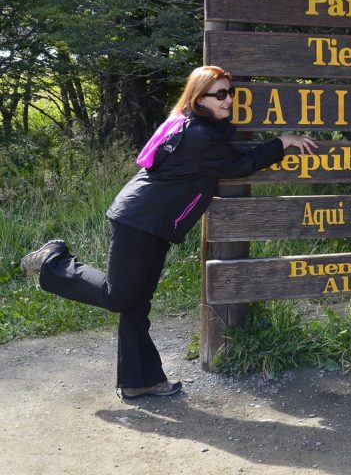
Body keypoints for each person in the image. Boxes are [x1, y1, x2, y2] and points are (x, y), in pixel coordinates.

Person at [20, 66, 318, 399]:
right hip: (139, 221)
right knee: (119, 297)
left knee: (136, 303)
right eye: (219, 94)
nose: (229, 99)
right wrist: (281, 142)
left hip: (154, 223)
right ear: (198, 98)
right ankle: (53, 260)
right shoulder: (200, 136)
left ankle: (139, 380)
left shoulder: (199, 127)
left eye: (230, 92)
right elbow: (239, 165)